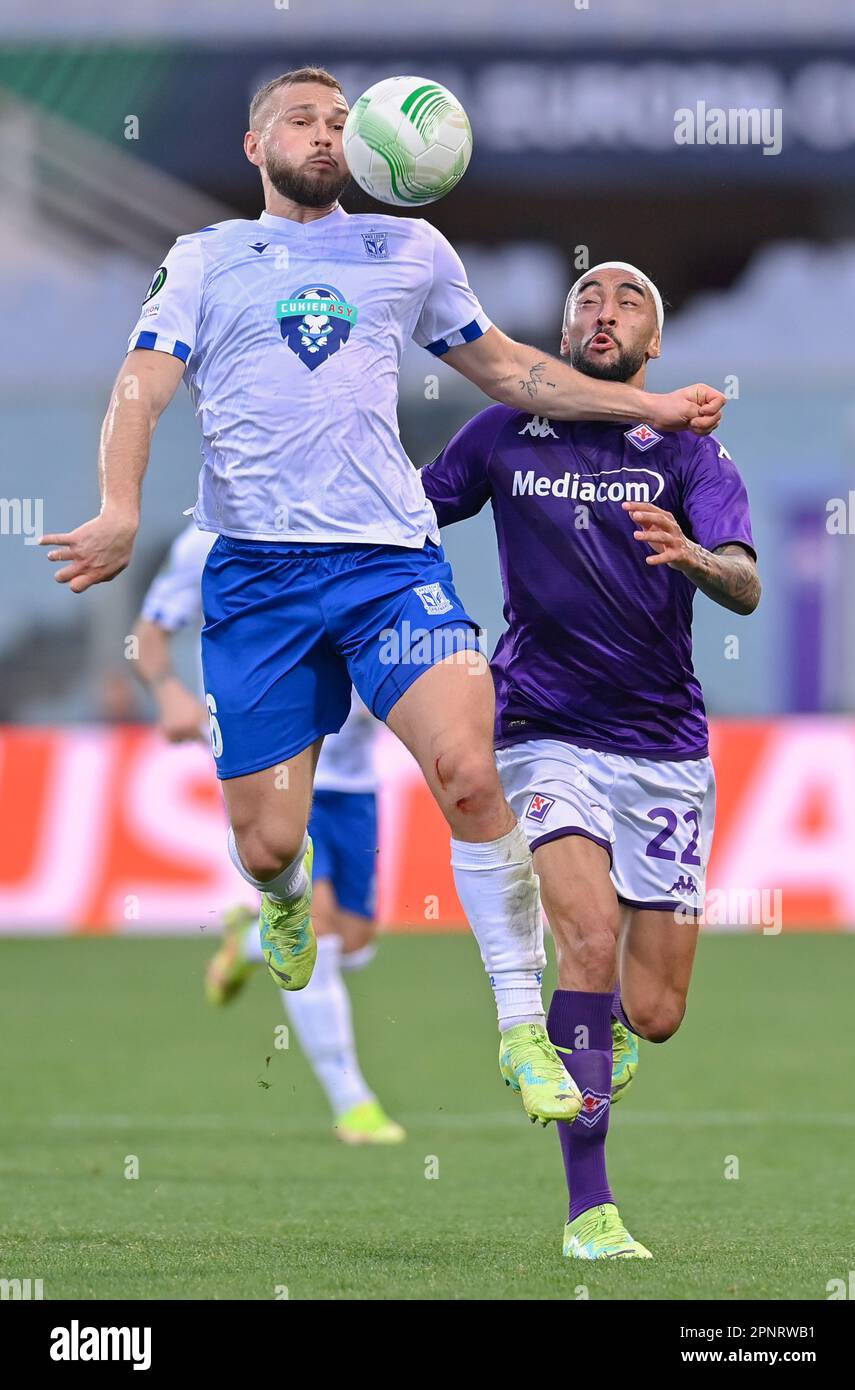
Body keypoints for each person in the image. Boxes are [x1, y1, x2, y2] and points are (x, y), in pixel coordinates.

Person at [41, 66, 726, 1129]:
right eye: (300, 121)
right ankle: (275, 896)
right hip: (259, 577)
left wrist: (648, 406)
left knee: (466, 766)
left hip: (386, 564)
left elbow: (510, 372)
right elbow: (142, 383)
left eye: (335, 121)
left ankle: (518, 1028)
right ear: (253, 144)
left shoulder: (408, 249)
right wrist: (120, 508)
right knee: (268, 842)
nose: (322, 135)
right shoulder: (205, 259)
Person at [421, 261, 759, 1256]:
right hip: (540, 726)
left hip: (661, 748)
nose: (601, 309)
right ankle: (588, 1211)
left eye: (627, 301)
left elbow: (742, 583)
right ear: (564, 331)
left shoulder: (687, 451)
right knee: (583, 935)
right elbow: (405, 514)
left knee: (650, 1012)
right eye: (586, 298)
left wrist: (693, 556)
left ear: (652, 342)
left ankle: (594, 1023)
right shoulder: (499, 433)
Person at [134, 522, 404, 1144]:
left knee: (357, 943)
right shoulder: (209, 537)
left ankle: (249, 940)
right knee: (325, 932)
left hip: (354, 778)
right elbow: (150, 631)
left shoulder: (375, 520)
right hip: (272, 762)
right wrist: (168, 690)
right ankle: (353, 1102)